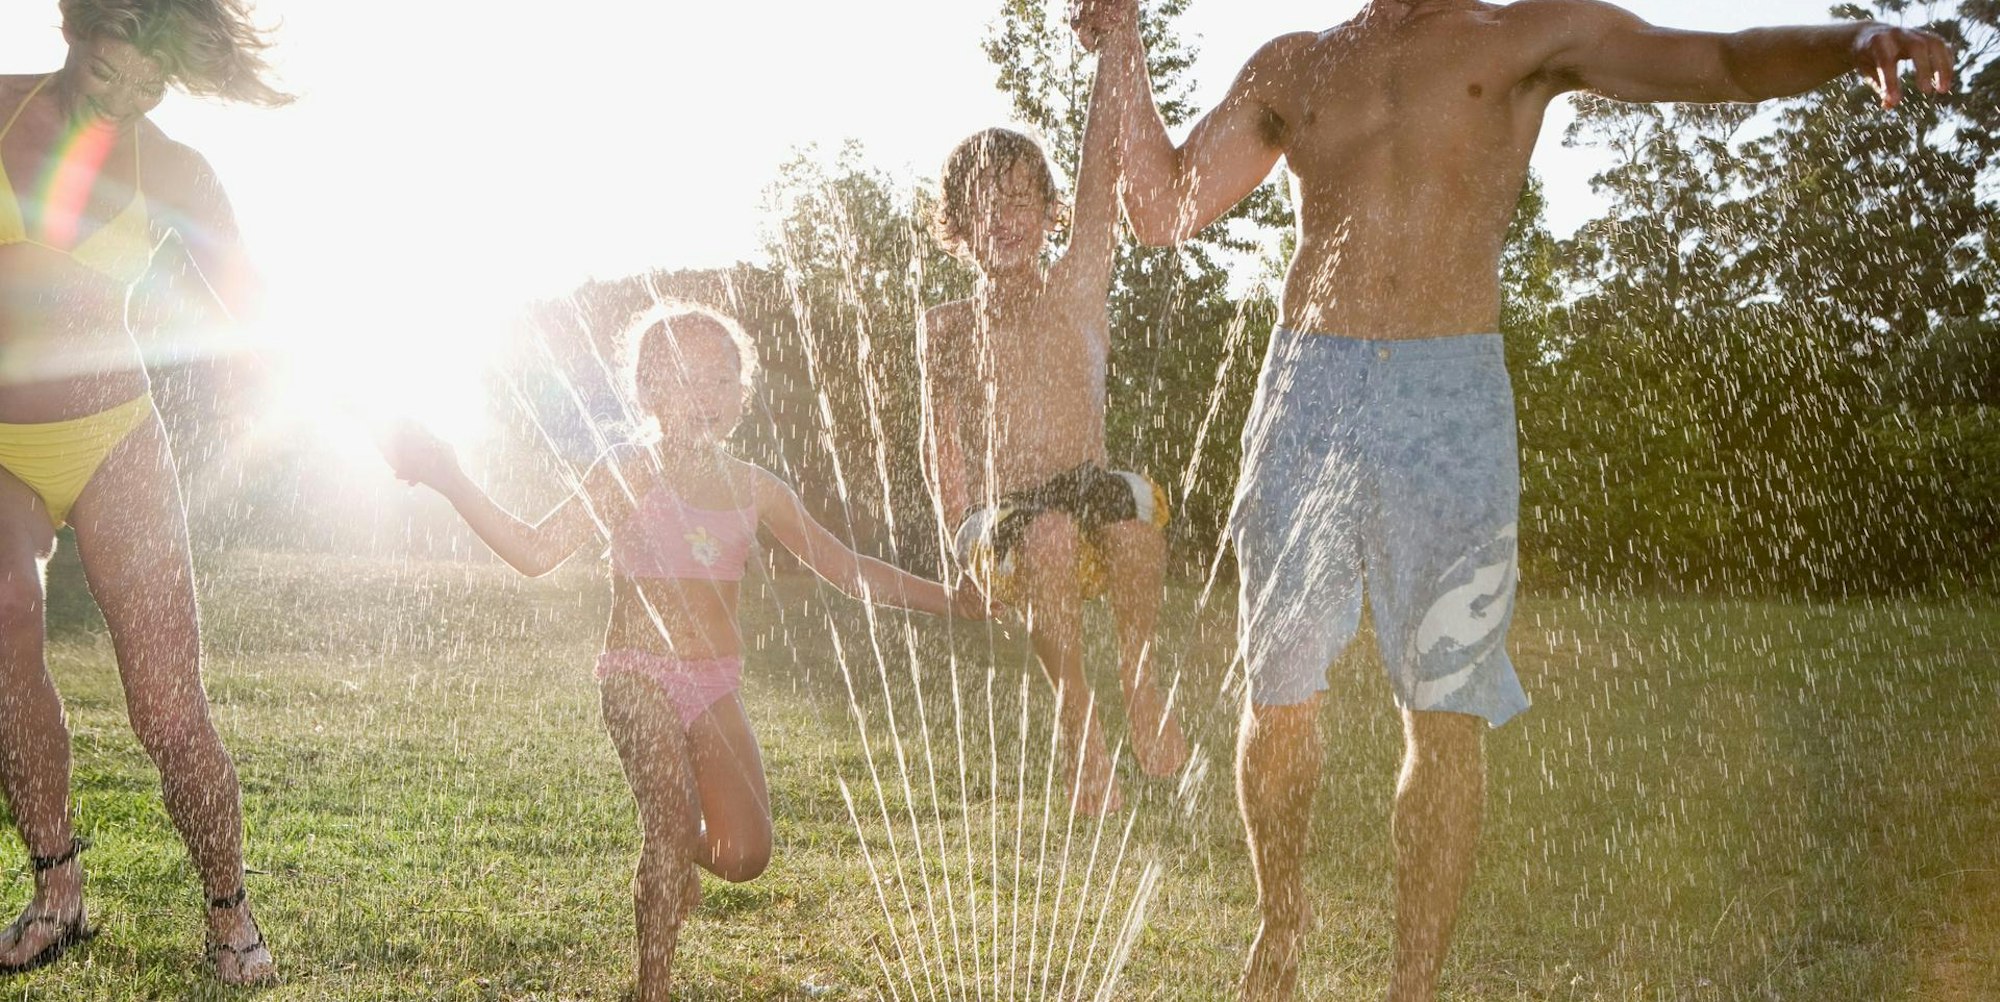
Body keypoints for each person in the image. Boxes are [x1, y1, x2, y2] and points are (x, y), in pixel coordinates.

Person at [1068, 0, 1954, 997]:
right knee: (1277, 702)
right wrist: (1123, 40)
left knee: (1444, 711)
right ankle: (1280, 922)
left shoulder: (1526, 36)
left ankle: (1411, 985)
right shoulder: (1294, 65)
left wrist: (1848, 44)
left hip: (1447, 401)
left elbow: (1718, 60)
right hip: (1305, 392)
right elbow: (1164, 207)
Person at [384, 303, 996, 1001]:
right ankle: (655, 981)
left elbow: (845, 565)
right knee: (669, 822)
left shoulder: (757, 489)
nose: (705, 394)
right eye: (683, 377)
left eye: (721, 378)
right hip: (635, 673)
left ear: (744, 393)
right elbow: (533, 551)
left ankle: (678, 858)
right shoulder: (629, 472)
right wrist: (450, 476)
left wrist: (954, 598)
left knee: (744, 855)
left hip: (715, 682)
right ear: (646, 391)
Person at [0, 0, 291, 984]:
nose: (120, 103)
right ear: (73, 33)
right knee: (3, 631)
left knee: (167, 711)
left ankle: (228, 908)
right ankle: (57, 892)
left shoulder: (178, 174)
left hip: (114, 438)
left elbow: (255, 317)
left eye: (148, 88)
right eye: (107, 74)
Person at [921, 62, 1189, 817]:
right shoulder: (945, 327)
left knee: (1134, 521)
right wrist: (958, 547)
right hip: (1008, 516)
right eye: (980, 207)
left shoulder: (1078, 288)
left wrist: (1114, 48)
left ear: (1048, 212)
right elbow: (937, 441)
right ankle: (1082, 729)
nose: (1001, 218)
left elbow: (1102, 166)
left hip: (1084, 487)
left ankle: (1141, 681)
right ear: (958, 230)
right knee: (1046, 537)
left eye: (1017, 201)